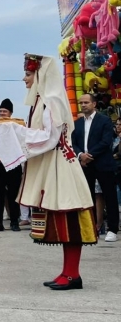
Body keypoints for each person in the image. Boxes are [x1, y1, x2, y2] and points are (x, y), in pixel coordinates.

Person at [18, 54, 96, 290]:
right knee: (62, 221)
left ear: (41, 75)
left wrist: (18, 135)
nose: (24, 79)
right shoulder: (43, 101)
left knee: (69, 220)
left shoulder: (52, 101)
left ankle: (73, 274)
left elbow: (50, 138)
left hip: (61, 167)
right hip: (54, 165)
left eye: (28, 74)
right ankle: (67, 271)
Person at [71, 93, 118, 242]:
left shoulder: (104, 120)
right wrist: (80, 155)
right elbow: (73, 142)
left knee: (109, 197)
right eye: (81, 103)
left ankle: (112, 229)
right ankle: (90, 228)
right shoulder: (77, 123)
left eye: (86, 102)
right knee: (87, 197)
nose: (83, 105)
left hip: (103, 163)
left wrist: (89, 155)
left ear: (94, 104)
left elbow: (106, 141)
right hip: (85, 165)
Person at [0, 99, 23, 233]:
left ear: (10, 113)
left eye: (5, 111)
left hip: (13, 165)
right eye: (0, 111)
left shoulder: (16, 126)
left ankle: (14, 222)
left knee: (14, 194)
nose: (2, 113)